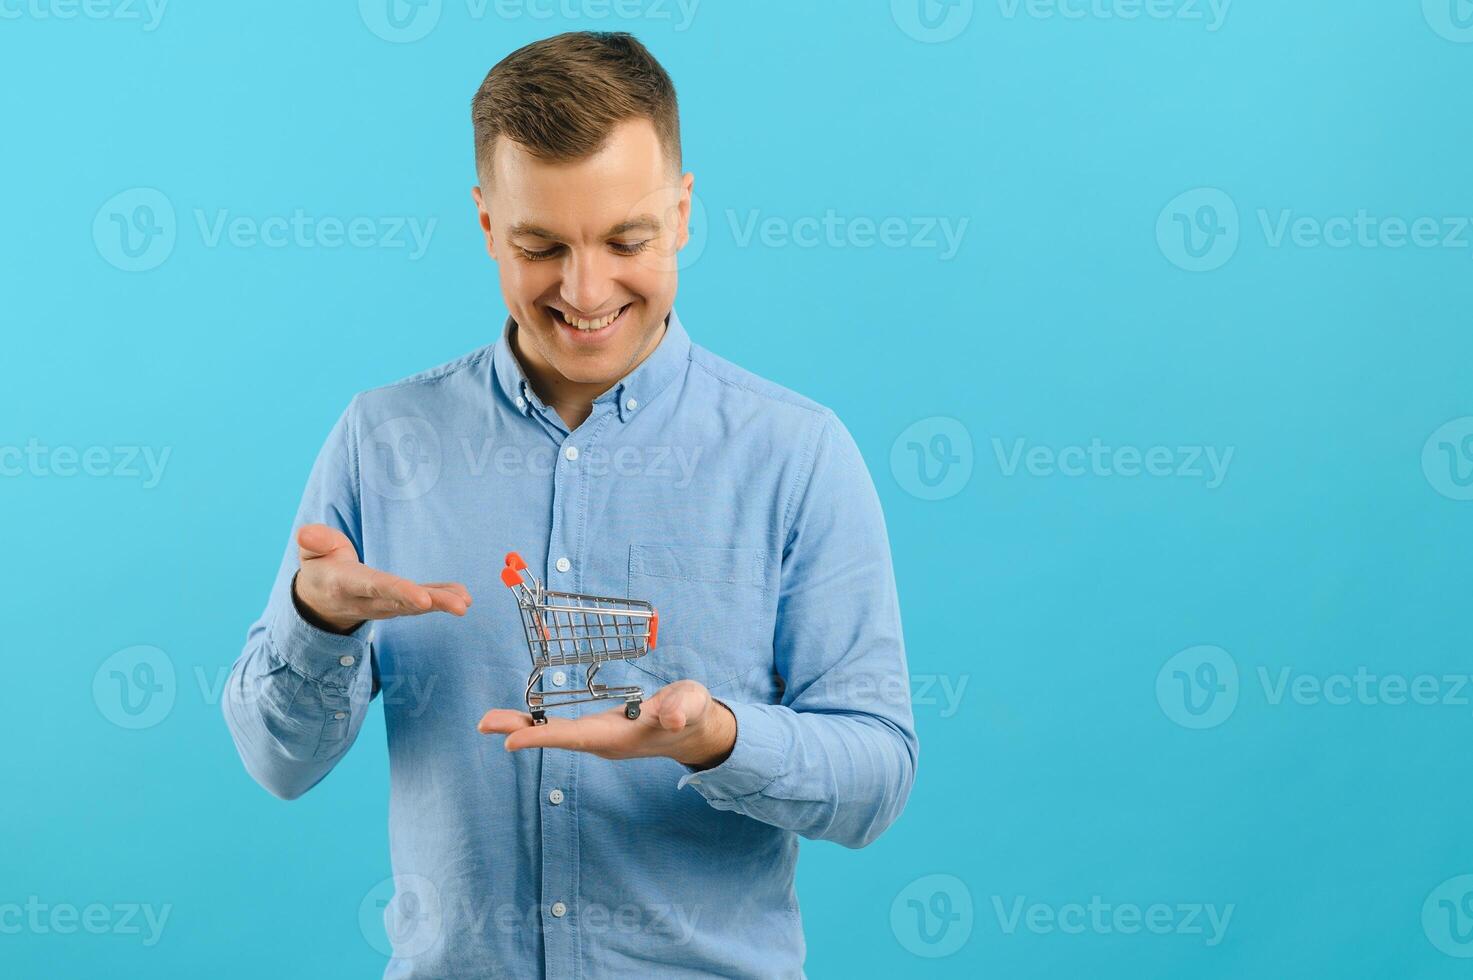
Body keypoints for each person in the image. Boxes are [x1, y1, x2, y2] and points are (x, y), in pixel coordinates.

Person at [222, 31, 916, 979]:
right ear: (484, 225)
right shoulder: (383, 441)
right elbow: (276, 763)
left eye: (626, 239)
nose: (585, 290)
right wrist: (316, 623)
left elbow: (875, 783)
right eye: (540, 245)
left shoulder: (795, 456)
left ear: (680, 213)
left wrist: (719, 740)